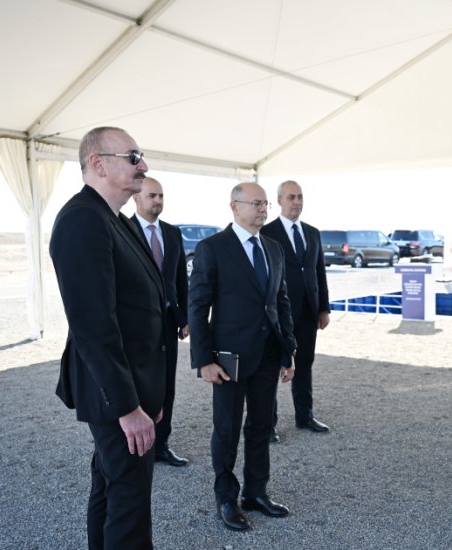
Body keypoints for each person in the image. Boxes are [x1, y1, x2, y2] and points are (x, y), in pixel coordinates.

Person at [49, 127, 166, 549]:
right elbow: (93, 325)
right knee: (128, 505)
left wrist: (148, 394)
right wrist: (128, 407)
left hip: (132, 387)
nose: (143, 165)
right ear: (98, 164)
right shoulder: (83, 219)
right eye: (133, 157)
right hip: (116, 394)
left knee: (113, 487)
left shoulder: (112, 219)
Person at [188, 182, 298, 532]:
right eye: (256, 203)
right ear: (234, 207)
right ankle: (226, 497)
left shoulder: (274, 248)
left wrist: (289, 351)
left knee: (261, 426)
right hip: (228, 359)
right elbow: (197, 306)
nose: (263, 209)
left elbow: (281, 302)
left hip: (268, 354)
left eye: (265, 203)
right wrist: (203, 360)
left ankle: (256, 492)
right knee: (227, 429)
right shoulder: (212, 248)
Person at [261, 180, 331, 440]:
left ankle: (305, 416)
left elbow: (319, 272)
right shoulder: (266, 232)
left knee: (304, 364)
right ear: (279, 200)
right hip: (277, 313)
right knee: (271, 368)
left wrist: (324, 308)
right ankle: (268, 424)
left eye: (300, 197)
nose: (297, 202)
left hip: (308, 312)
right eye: (291, 197)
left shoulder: (312, 233)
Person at [131, 177, 190, 467]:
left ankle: (161, 445)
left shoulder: (173, 233)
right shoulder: (124, 230)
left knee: (166, 385)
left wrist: (185, 317)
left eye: (161, 196)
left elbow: (180, 279)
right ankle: (138, 446)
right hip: (137, 325)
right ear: (136, 198)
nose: (158, 200)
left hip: (168, 323)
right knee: (141, 383)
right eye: (152, 195)